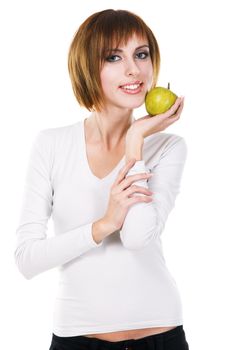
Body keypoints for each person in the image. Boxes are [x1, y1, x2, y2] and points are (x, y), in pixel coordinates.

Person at [14, 8, 189, 350]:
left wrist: (135, 139)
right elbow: (27, 259)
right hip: (77, 337)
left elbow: (138, 236)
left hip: (160, 335)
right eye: (113, 57)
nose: (133, 70)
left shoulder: (168, 147)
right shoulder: (51, 144)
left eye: (141, 54)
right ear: (87, 67)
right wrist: (104, 224)